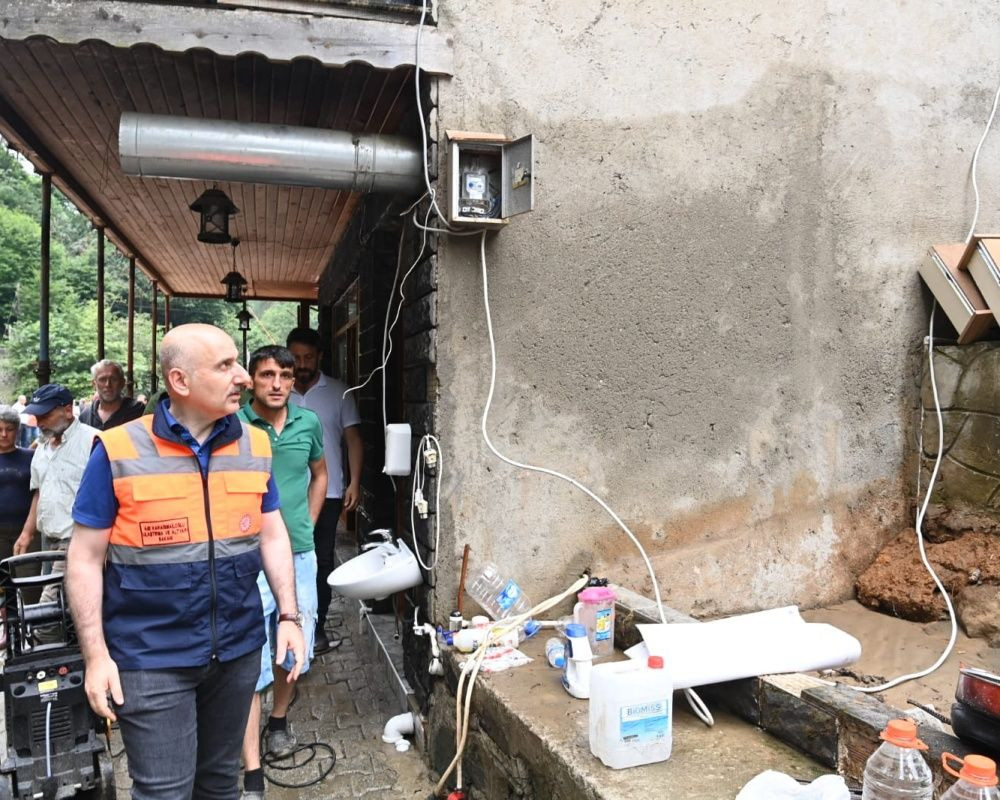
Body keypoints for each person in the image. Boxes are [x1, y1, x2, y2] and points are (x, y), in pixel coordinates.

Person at [65, 324, 306, 800]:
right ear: (180, 381)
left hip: (236, 651)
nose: (242, 376)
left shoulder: (254, 445)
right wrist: (95, 658)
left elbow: (273, 531)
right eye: (225, 366)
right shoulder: (118, 450)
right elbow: (84, 559)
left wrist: (289, 615)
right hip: (150, 657)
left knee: (220, 785)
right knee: (164, 793)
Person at [237, 346, 327, 800]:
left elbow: (320, 474)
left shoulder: (307, 423)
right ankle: (252, 772)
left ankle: (279, 720)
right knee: (250, 653)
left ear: (294, 381)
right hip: (247, 556)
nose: (277, 383)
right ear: (252, 379)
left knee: (292, 645)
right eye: (267, 374)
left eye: (285, 375)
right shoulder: (233, 426)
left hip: (299, 555)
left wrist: (306, 526)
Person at [286, 328, 362, 654]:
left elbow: (354, 440)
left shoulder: (340, 393)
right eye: (295, 358)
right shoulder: (277, 390)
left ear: (319, 356)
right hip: (284, 494)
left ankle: (315, 628)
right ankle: (285, 627)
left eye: (307, 357)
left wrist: (355, 481)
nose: (301, 364)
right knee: (284, 560)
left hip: (329, 493)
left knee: (320, 561)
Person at [13, 385, 98, 605]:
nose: (39, 422)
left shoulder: (94, 441)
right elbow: (40, 492)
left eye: (46, 414)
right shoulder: (42, 447)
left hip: (77, 540)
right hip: (48, 539)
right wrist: (27, 532)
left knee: (48, 614)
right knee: (63, 613)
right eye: (36, 415)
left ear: (68, 410)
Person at [0, 405, 34, 561]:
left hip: (27, 530)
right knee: (3, 582)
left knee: (30, 581)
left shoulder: (31, 457)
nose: (4, 434)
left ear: (18, 431)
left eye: (9, 429)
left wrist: (29, 530)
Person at [78, 360, 146, 431]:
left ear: (122, 383)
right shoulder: (86, 416)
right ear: (94, 384)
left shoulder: (137, 411)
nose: (108, 384)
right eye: (102, 380)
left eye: (114, 379)